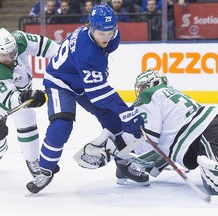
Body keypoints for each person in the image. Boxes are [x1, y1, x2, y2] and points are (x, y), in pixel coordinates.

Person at [75, 69, 218, 207]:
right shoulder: (168, 95)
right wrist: (126, 158)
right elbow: (159, 155)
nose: (139, 92)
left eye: (141, 87)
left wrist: (119, 152)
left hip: (207, 132)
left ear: (148, 86)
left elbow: (150, 145)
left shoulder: (148, 96)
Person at [26, 3, 147, 194]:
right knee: (61, 125)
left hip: (83, 81)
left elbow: (97, 85)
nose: (106, 37)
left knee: (116, 123)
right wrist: (125, 111)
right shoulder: (87, 52)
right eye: (101, 33)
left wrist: (121, 114)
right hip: (60, 82)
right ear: (90, 27)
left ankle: (123, 165)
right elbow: (98, 92)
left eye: (110, 31)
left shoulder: (111, 36)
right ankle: (45, 170)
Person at [0, 28, 59, 177]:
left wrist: (65, 59)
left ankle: (32, 160)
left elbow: (47, 46)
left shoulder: (19, 39)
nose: (10, 57)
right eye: (4, 55)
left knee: (26, 117)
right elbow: (10, 99)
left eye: (12, 52)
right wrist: (24, 98)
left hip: (16, 91)